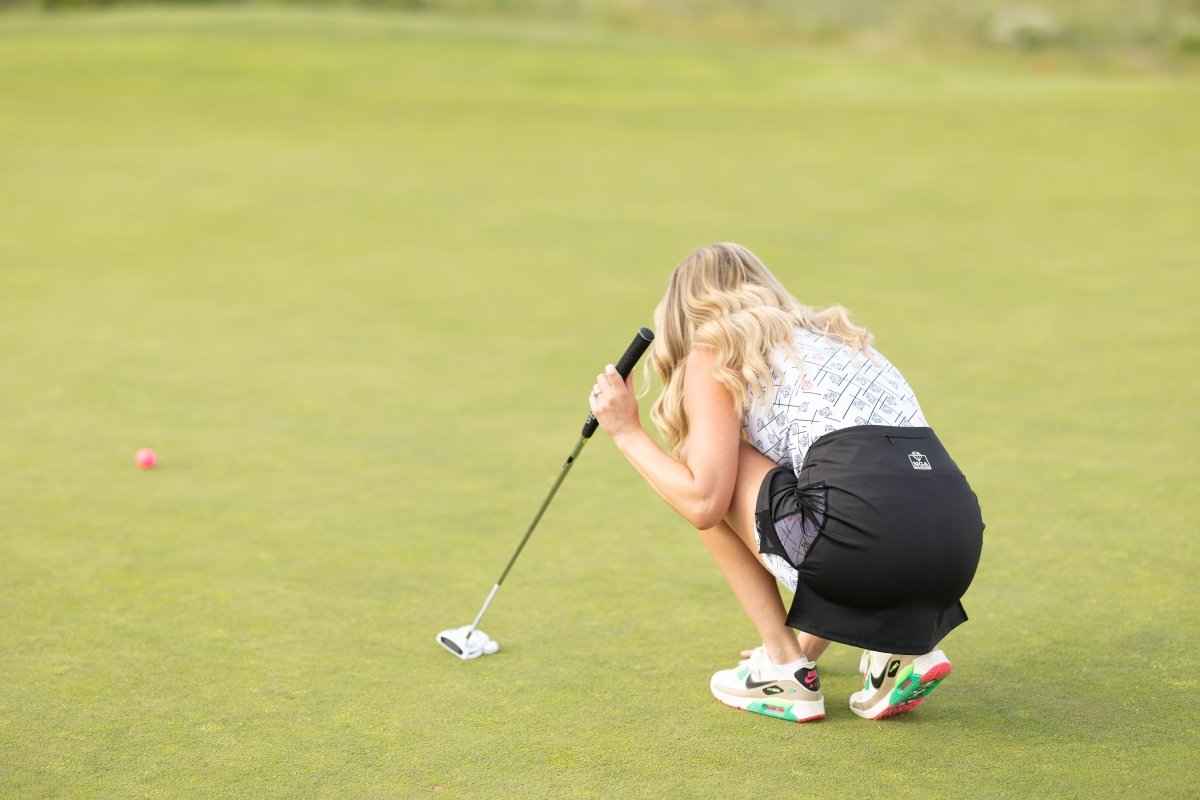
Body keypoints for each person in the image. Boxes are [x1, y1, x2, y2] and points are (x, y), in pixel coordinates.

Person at [587, 242, 984, 722]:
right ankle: (899, 654)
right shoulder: (841, 337)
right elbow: (874, 499)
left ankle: (782, 668)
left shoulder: (715, 348)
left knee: (703, 462)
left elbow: (702, 502)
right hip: (954, 550)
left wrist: (625, 430)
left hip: (866, 547)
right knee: (840, 497)